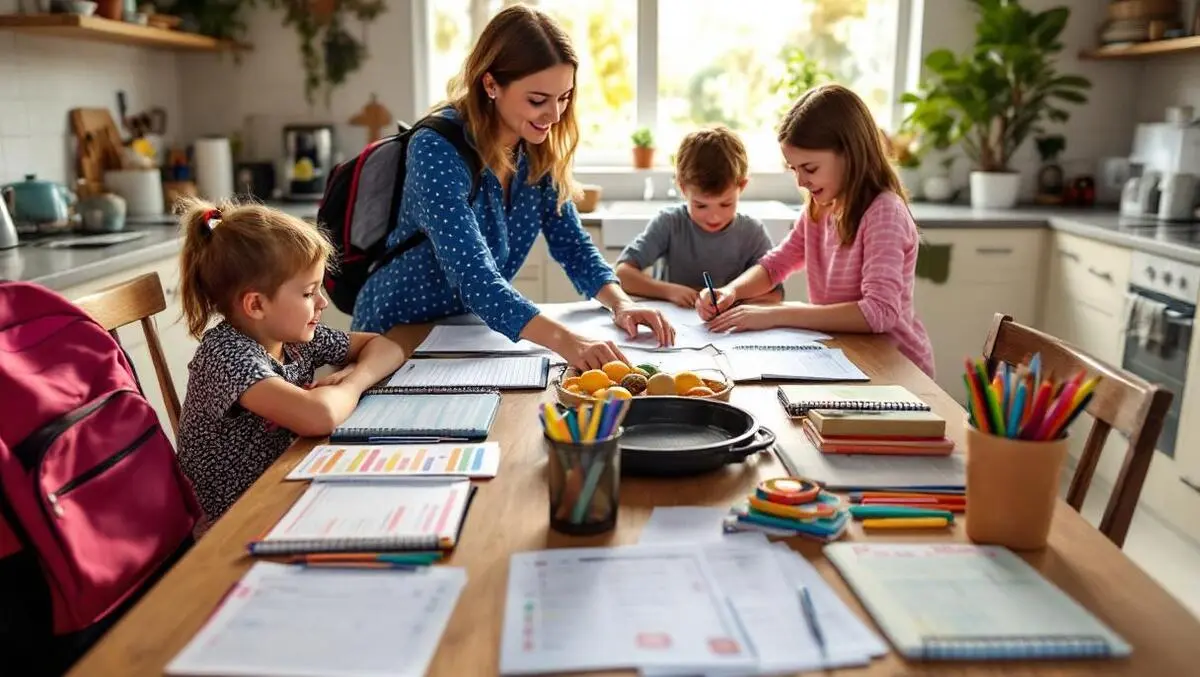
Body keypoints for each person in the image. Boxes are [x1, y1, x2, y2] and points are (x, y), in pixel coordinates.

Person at [350, 5, 673, 369]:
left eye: (564, 98)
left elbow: (573, 245)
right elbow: (476, 278)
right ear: (491, 84)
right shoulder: (436, 148)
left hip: (465, 334)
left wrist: (621, 303)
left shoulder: (536, 147)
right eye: (538, 100)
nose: (554, 115)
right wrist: (568, 341)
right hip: (394, 334)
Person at [176, 198, 407, 522]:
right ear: (256, 305)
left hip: (287, 485)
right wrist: (350, 383)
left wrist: (354, 375)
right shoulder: (225, 356)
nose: (322, 302)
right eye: (308, 292)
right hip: (234, 521)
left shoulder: (291, 337)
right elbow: (319, 415)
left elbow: (387, 347)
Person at [697, 84, 934, 378]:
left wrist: (775, 314)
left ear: (849, 153)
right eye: (793, 169)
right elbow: (777, 264)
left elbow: (879, 313)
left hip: (894, 369)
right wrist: (731, 291)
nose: (800, 181)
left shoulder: (884, 212)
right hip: (846, 356)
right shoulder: (821, 206)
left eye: (809, 168)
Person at [614, 126, 783, 309]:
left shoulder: (752, 232)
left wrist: (731, 298)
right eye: (701, 205)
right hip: (674, 326)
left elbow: (775, 293)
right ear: (683, 188)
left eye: (726, 204)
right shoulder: (670, 223)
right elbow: (622, 274)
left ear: (742, 186)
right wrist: (669, 291)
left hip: (727, 331)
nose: (714, 217)